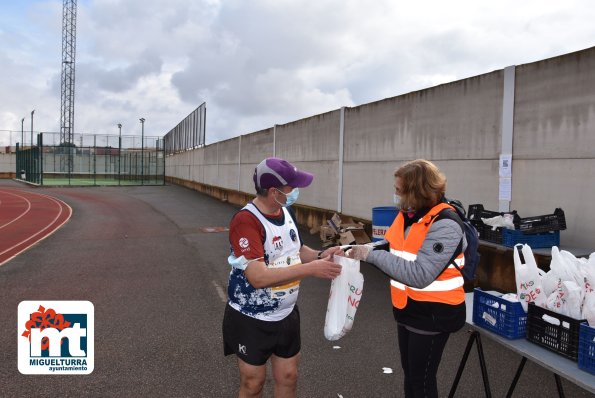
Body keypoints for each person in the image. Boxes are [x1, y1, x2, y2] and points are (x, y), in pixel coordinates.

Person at [223, 157, 343, 398]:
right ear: (274, 191)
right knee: (253, 384)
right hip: (251, 317)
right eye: (291, 187)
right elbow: (257, 277)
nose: (295, 191)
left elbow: (296, 250)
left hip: (286, 315)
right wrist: (311, 269)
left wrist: (321, 255)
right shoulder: (245, 221)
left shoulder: (286, 210)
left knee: (289, 377)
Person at [348, 159, 466, 398]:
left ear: (417, 191)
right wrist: (351, 249)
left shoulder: (445, 224)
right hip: (408, 308)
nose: (395, 193)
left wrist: (370, 255)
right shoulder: (409, 214)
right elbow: (389, 245)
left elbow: (420, 274)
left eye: (399, 190)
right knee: (411, 378)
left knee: (421, 382)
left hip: (434, 314)